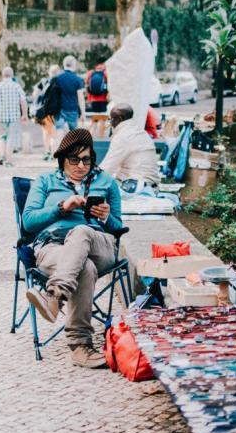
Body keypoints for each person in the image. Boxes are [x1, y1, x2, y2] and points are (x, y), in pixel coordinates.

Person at [23, 128, 123, 368]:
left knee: (81, 232)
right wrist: (61, 208)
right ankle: (80, 346)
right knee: (84, 268)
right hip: (54, 247)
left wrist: (107, 217)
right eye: (74, 159)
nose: (81, 165)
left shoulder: (106, 182)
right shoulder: (46, 181)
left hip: (99, 245)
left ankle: (54, 295)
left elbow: (118, 227)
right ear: (62, 159)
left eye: (86, 159)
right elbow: (28, 221)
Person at [99, 103, 161, 187]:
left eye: (111, 119)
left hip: (135, 186)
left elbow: (107, 168)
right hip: (149, 185)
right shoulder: (140, 132)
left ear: (120, 119)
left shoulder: (122, 136)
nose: (111, 123)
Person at [0, 66, 28, 167]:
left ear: (2, 75)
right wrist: (24, 115)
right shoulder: (16, 86)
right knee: (11, 138)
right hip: (14, 117)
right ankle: (8, 161)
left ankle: (2, 156)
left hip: (1, 117)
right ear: (12, 75)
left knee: (2, 137)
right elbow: (23, 101)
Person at [32, 64, 62, 161]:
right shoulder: (59, 83)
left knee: (46, 132)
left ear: (49, 72)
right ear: (58, 72)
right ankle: (53, 154)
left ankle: (46, 152)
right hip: (54, 112)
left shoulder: (44, 81)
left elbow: (35, 94)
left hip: (44, 112)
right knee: (54, 134)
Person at [54, 55, 85, 132]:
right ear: (74, 65)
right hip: (72, 109)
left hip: (59, 109)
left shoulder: (57, 78)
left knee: (59, 130)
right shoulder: (77, 79)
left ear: (64, 64)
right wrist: (83, 113)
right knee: (73, 132)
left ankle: (58, 143)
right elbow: (80, 97)